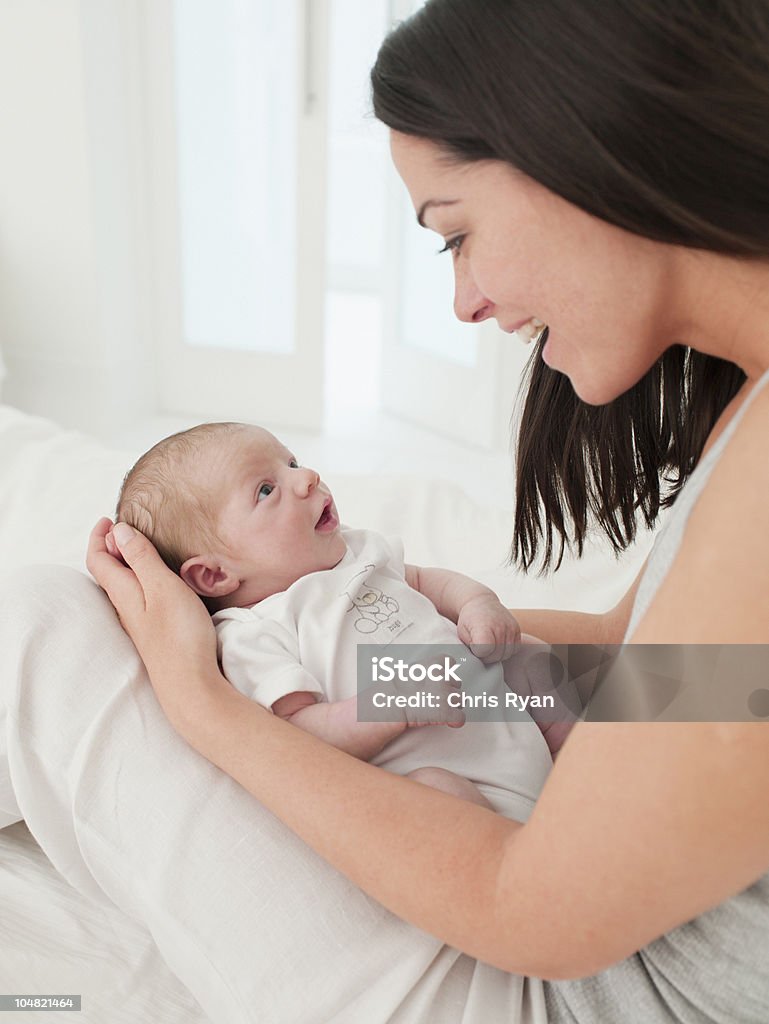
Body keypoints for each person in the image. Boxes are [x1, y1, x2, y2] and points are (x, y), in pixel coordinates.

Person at [87, 0, 769, 1020]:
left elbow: (529, 910)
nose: (465, 302)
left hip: (601, 988)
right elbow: (665, 667)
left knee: (42, 636)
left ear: (578, 142)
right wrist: (431, 633)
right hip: (595, 908)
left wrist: (204, 705)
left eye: (456, 234)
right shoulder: (751, 406)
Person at [113, 419, 561, 816]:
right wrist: (390, 705)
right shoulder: (254, 634)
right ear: (213, 574)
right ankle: (530, 854)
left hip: (515, 727)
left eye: (293, 463)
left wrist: (477, 602)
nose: (307, 478)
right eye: (266, 489)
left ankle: (599, 767)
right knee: (429, 793)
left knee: (536, 659)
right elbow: (299, 735)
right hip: (468, 793)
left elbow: (425, 581)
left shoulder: (354, 550)